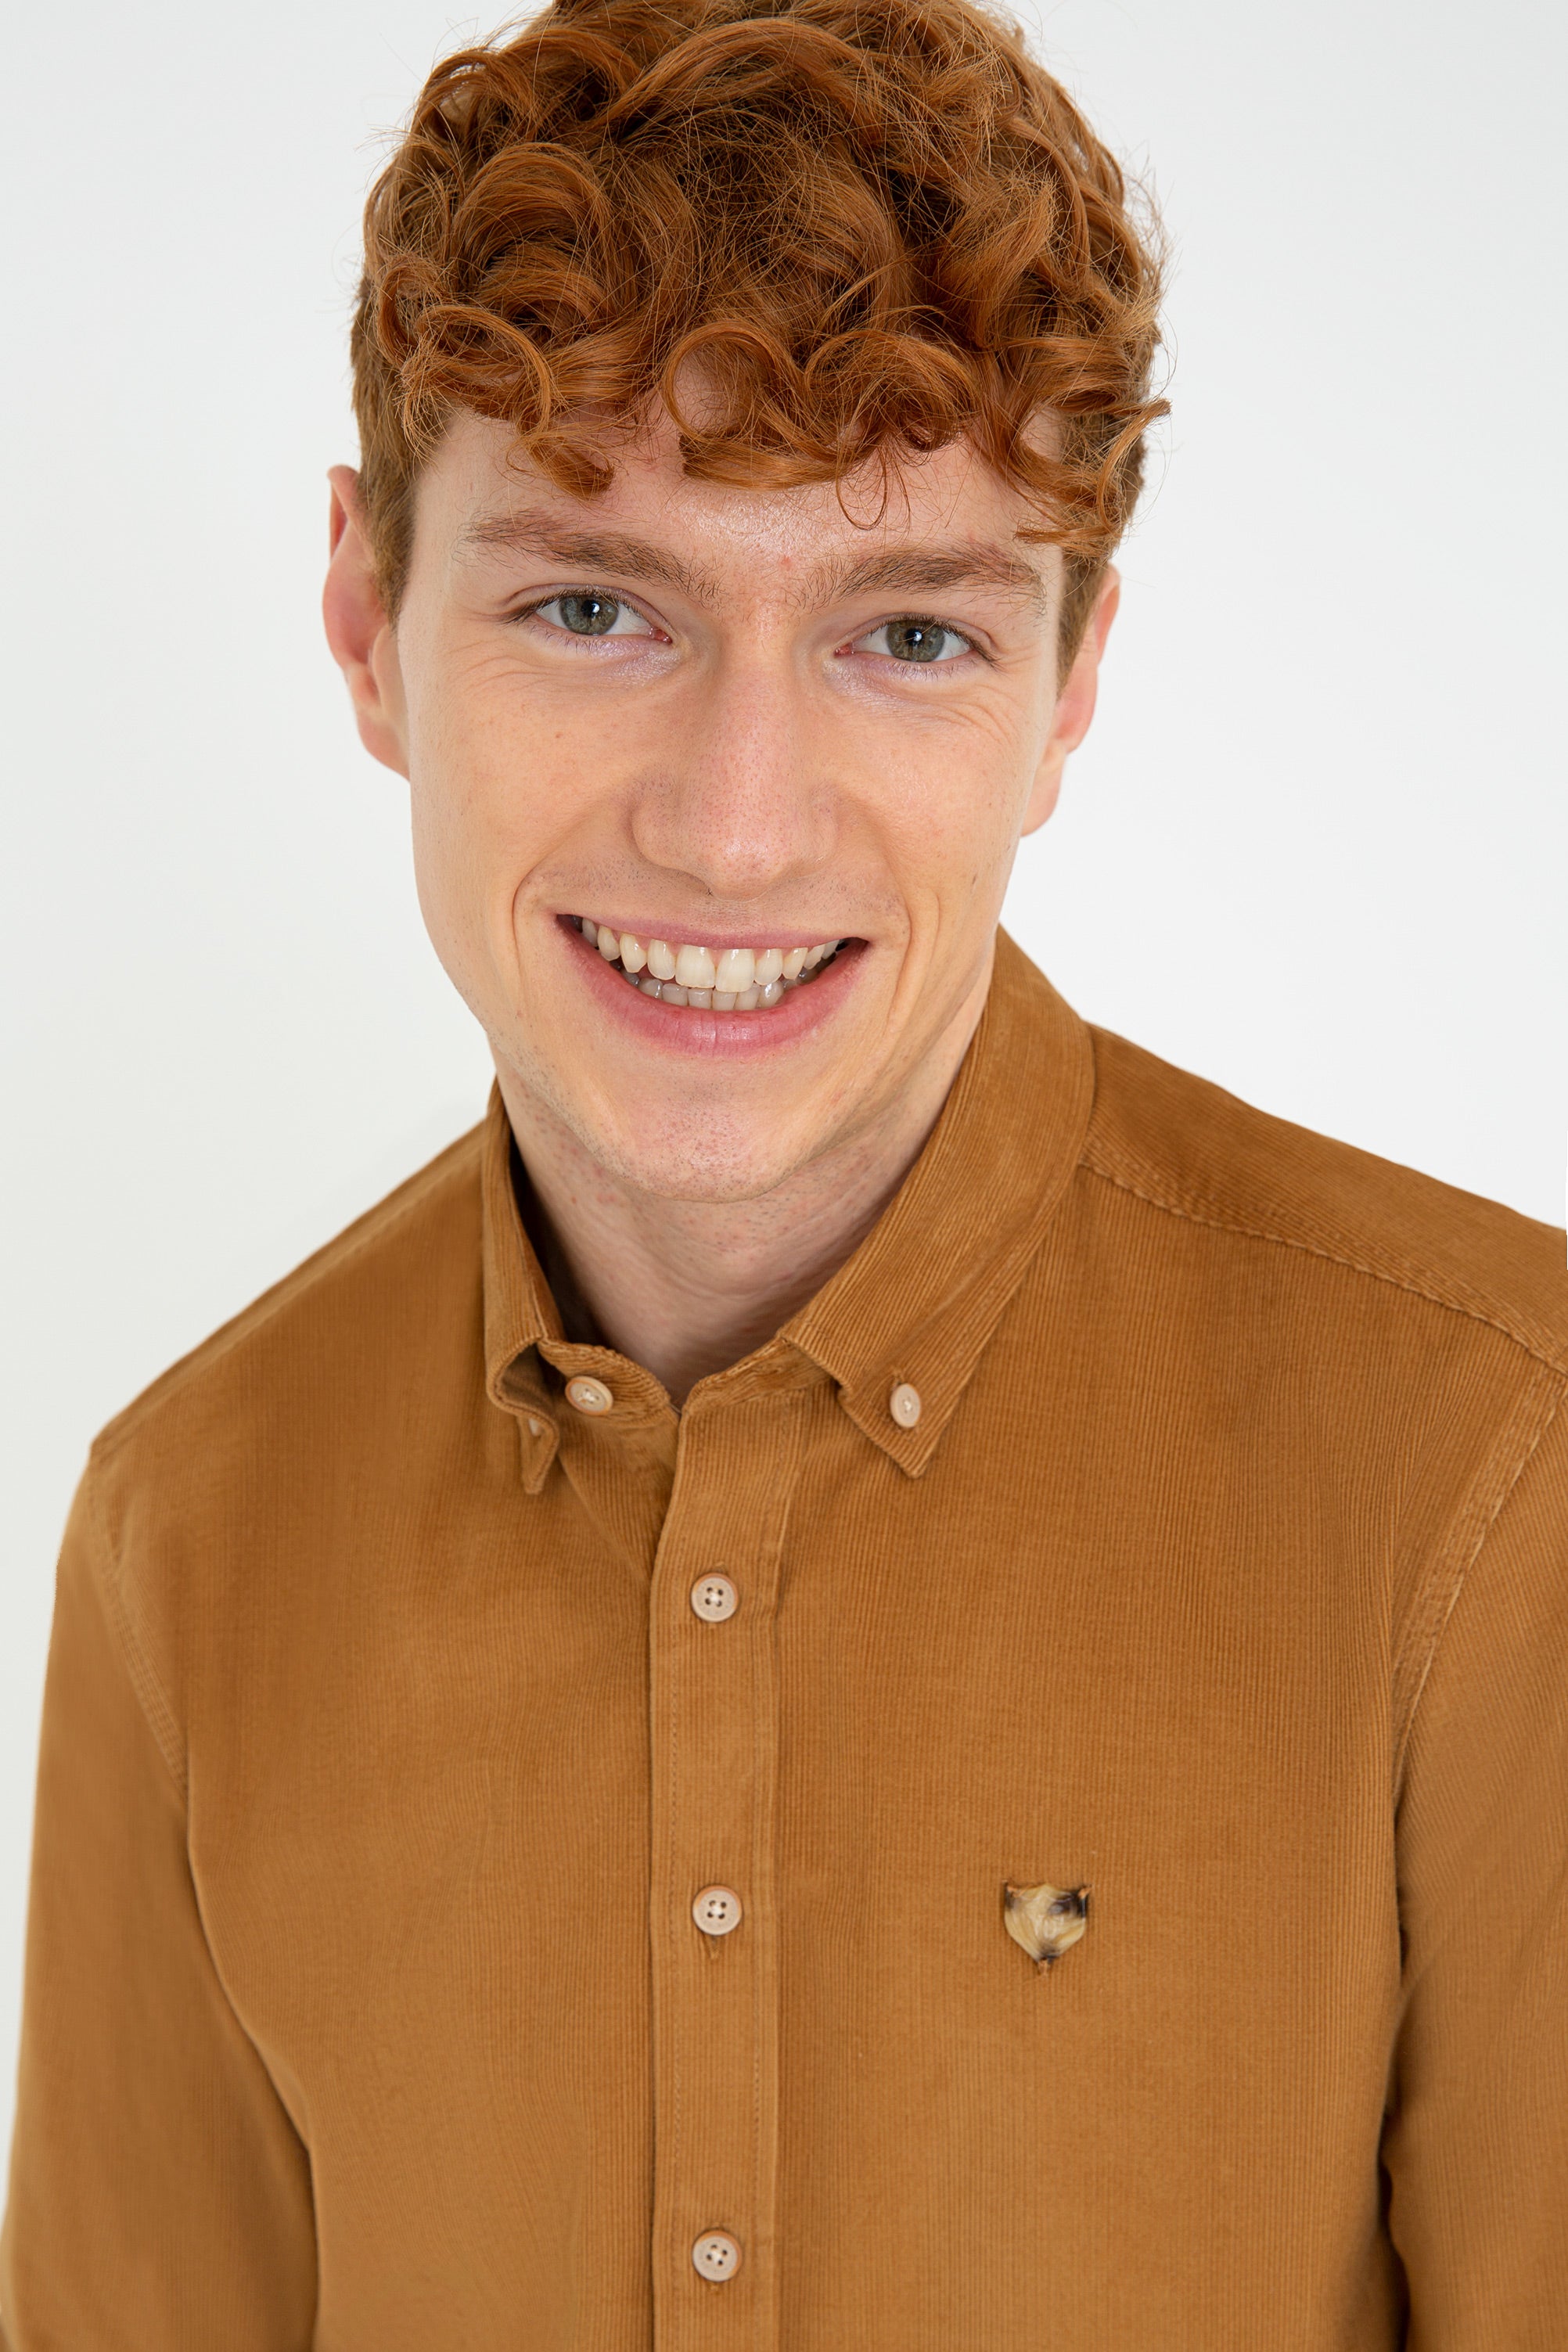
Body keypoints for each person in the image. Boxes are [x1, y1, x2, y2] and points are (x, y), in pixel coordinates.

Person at [3, 0, 1564, 2340]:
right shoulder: (185, 1540)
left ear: (1068, 691)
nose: (734, 831)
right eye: (593, 608)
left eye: (906, 631)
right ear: (365, 626)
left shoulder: (1504, 1473)